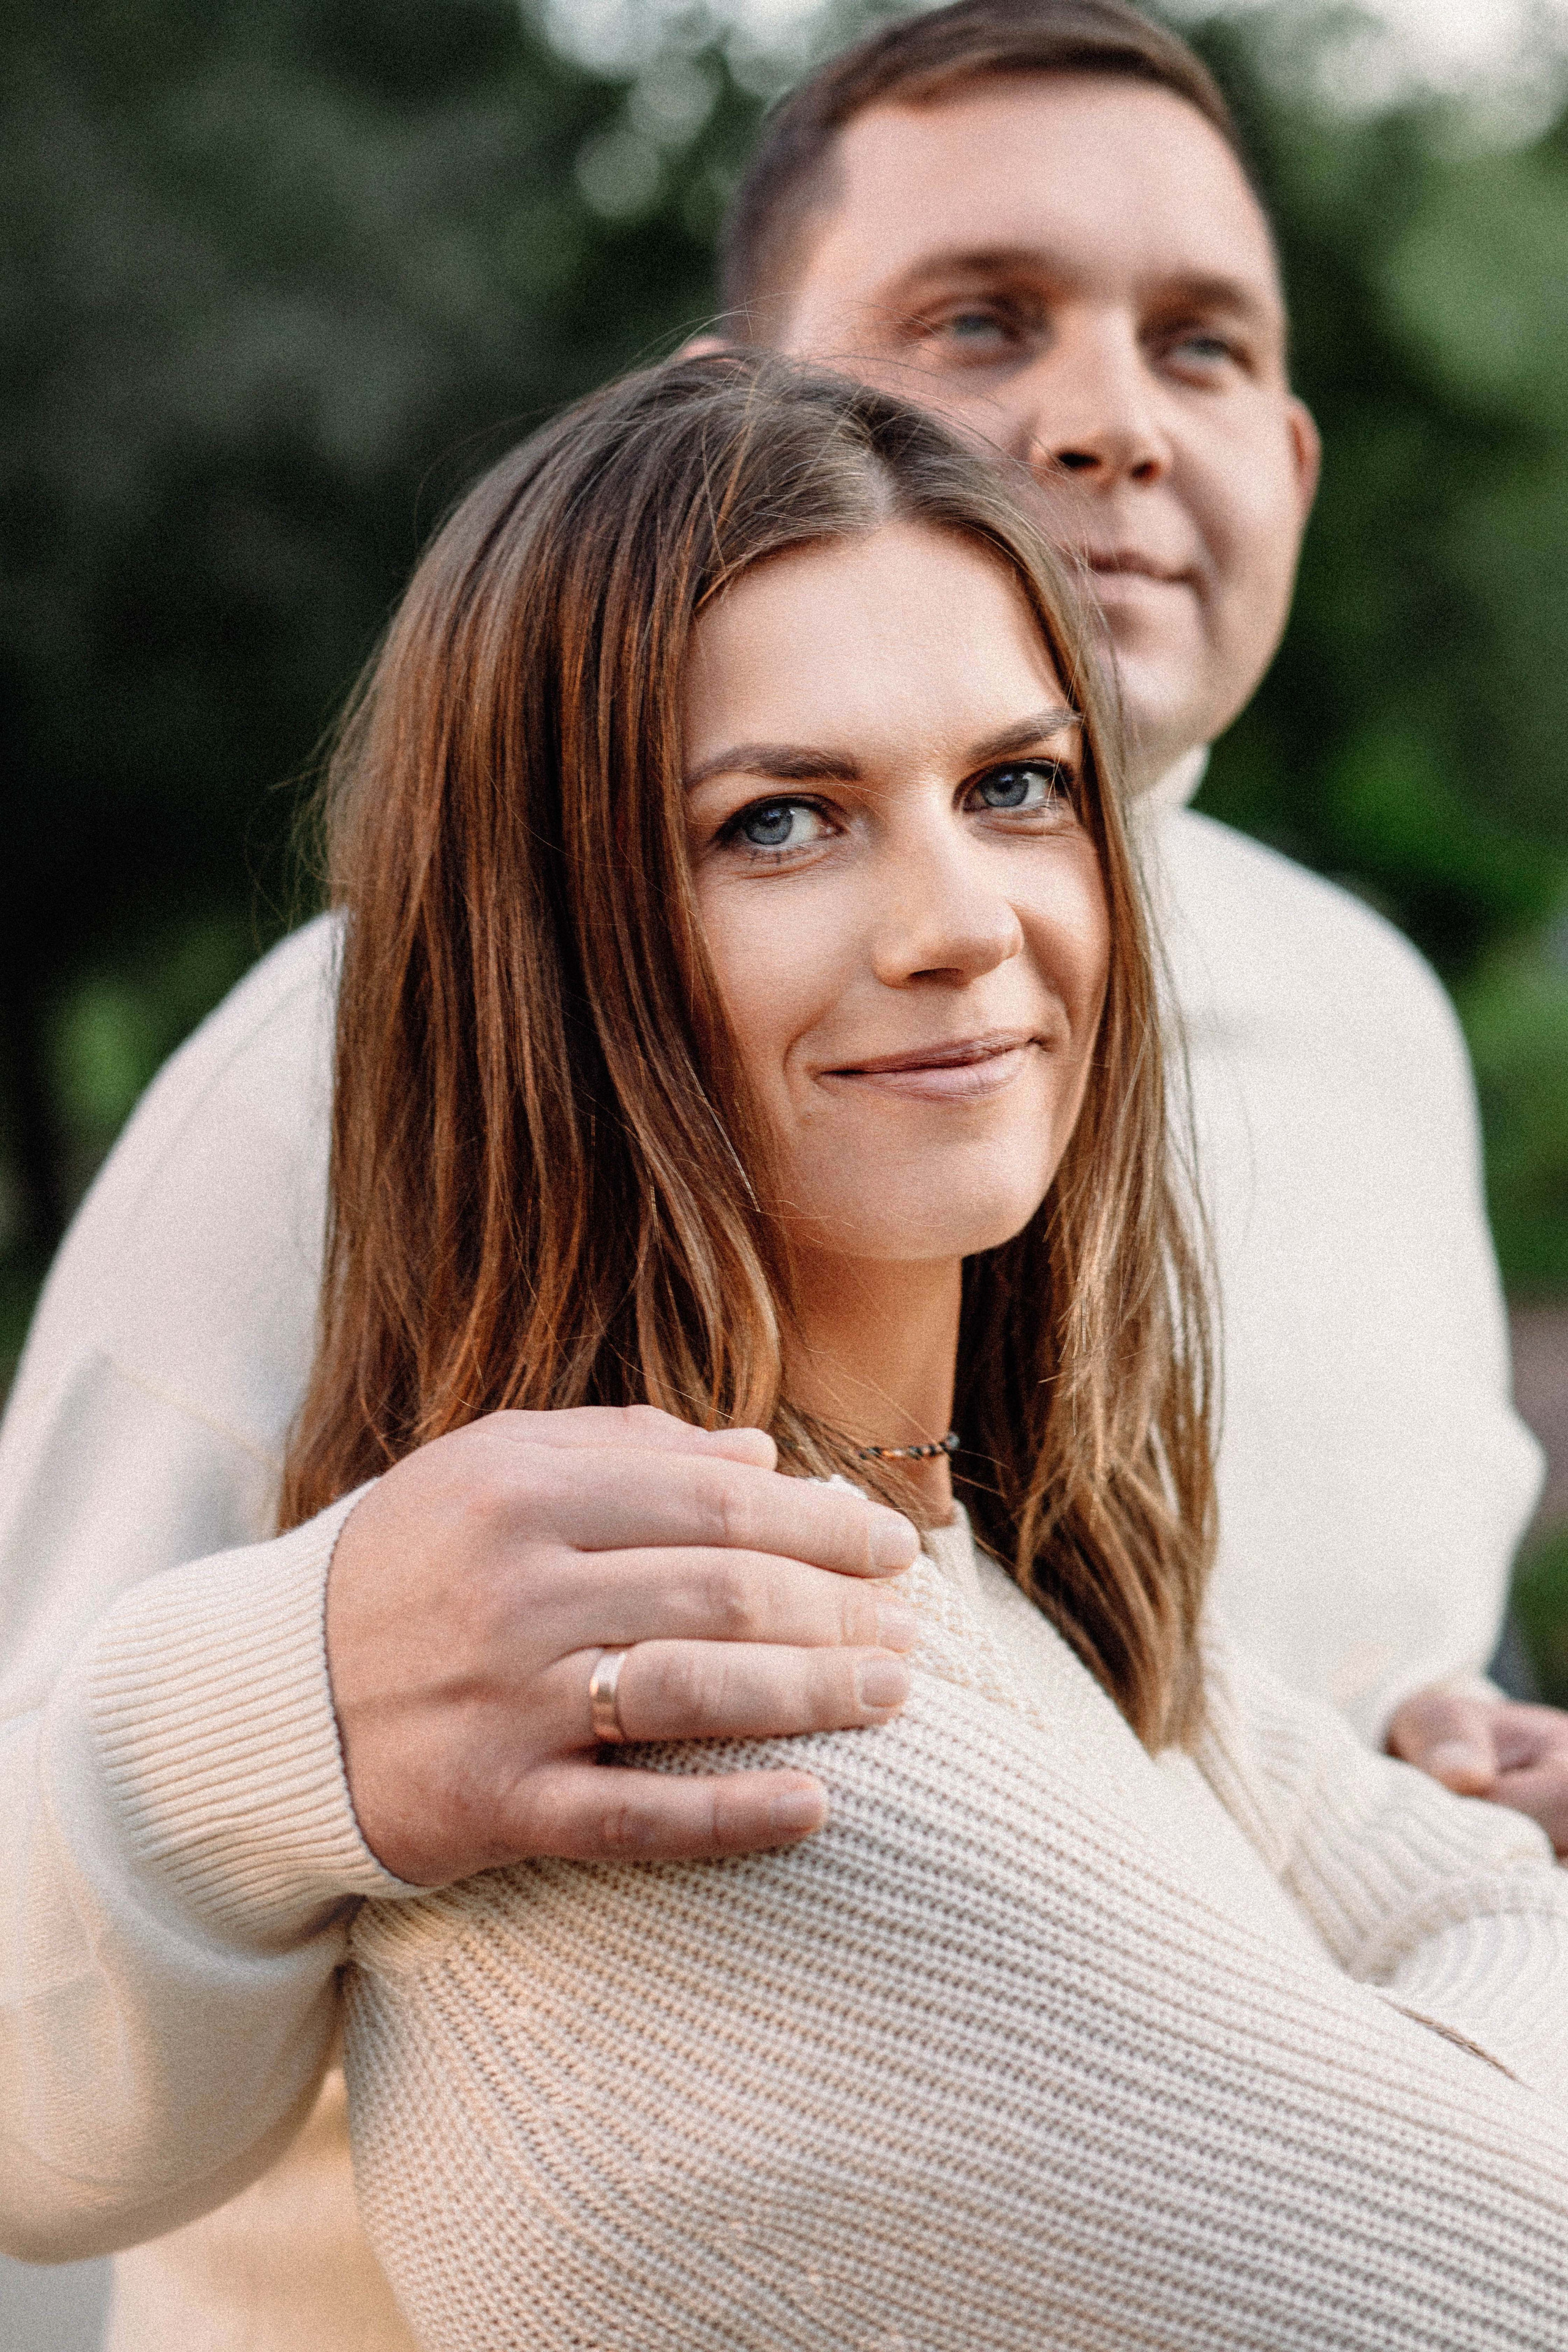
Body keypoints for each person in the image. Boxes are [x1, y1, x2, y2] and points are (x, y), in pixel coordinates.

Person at [0, 1, 1560, 2344]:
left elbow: (1287, 1748)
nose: (1112, 422)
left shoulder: (1366, 1026)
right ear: (747, 400)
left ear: (1301, 458)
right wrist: (289, 1703)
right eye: (981, 319)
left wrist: (1461, 1824)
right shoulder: (361, 1063)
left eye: (1205, 345)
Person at [331, 351, 1568, 2350]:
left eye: (1016, 787)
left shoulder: (958, 1557)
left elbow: (1413, 1879)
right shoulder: (741, 1729)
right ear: (547, 948)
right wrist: (1492, 1951)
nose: (961, 923)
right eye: (782, 822)